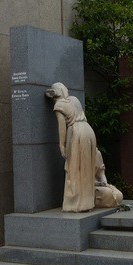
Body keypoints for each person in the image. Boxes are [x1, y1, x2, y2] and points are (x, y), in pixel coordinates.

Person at [45, 82, 97, 212]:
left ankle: (75, 204)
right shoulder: (74, 99)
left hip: (76, 133)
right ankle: (88, 203)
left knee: (74, 168)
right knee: (87, 168)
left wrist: (61, 145)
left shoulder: (59, 105)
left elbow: (62, 126)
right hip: (88, 130)